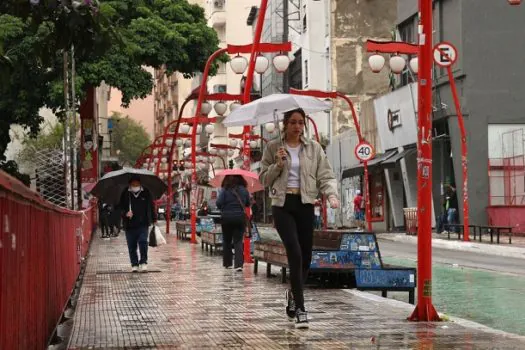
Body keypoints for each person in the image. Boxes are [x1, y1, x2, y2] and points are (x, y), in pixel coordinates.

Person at [260, 108, 339, 329]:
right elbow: (264, 180)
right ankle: (301, 309)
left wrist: (331, 194)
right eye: (293, 122)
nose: (297, 126)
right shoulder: (273, 147)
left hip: (305, 204)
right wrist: (277, 165)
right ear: (285, 124)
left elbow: (325, 174)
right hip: (282, 205)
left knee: (306, 257)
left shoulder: (313, 148)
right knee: (294, 253)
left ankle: (294, 296)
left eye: (301, 122)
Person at [119, 176, 156, 272]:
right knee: (132, 246)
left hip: (143, 224)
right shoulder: (125, 193)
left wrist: (154, 218)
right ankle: (134, 264)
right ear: (130, 184)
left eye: (137, 184)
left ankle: (143, 262)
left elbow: (151, 206)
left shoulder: (146, 192)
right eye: (133, 184)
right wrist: (125, 213)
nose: (135, 186)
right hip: (129, 225)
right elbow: (119, 207)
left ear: (140, 184)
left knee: (143, 242)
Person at [216, 175, 250, 271]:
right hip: (239, 218)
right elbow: (248, 203)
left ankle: (228, 263)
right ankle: (239, 265)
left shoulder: (225, 190)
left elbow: (218, 203)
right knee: (238, 241)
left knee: (226, 241)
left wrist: (224, 207)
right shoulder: (244, 190)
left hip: (226, 218)